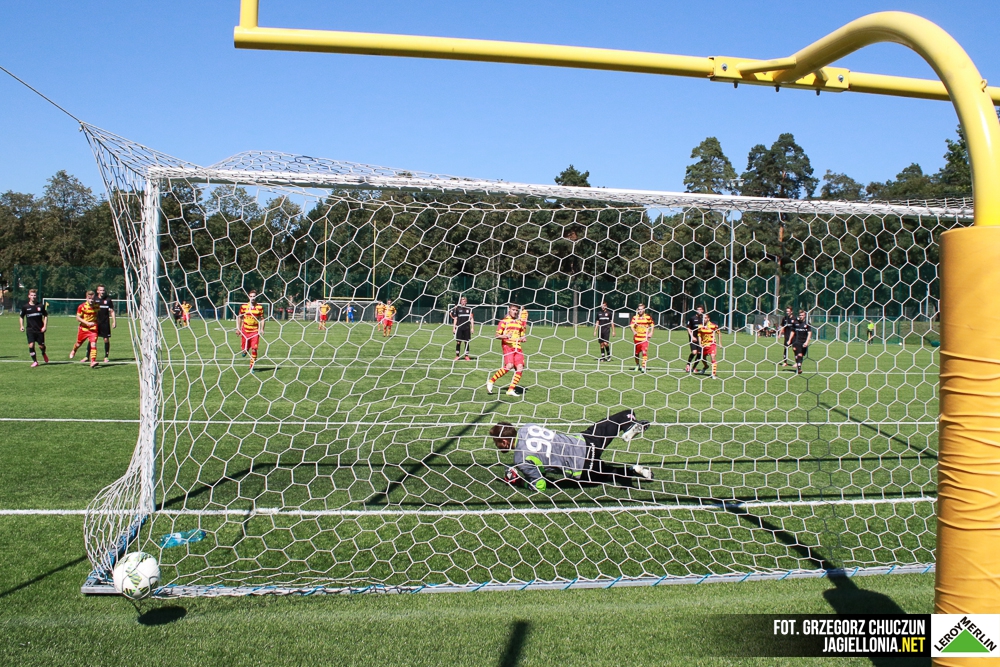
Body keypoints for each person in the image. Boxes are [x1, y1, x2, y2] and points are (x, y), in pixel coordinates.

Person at [490, 410, 654, 492]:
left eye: (497, 443)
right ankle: (630, 427)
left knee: (605, 474)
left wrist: (519, 481)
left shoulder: (521, 458)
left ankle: (631, 471)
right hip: (585, 442)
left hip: (581, 467)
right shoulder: (528, 427)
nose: (496, 446)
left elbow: (540, 485)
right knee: (623, 415)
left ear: (504, 442)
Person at [486, 304, 527, 397]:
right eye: (513, 310)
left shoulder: (519, 322)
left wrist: (523, 338)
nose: (515, 312)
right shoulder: (504, 322)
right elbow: (497, 336)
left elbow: (522, 335)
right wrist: (505, 336)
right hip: (507, 346)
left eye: (516, 310)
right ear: (509, 310)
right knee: (509, 366)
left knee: (520, 367)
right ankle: (491, 381)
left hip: (518, 347)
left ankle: (510, 389)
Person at [19, 289, 49, 367]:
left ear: (36, 296)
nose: (33, 297)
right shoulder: (25, 307)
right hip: (30, 329)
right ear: (29, 296)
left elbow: (45, 316)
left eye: (34, 295)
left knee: (41, 346)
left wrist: (44, 326)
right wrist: (21, 326)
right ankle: (35, 361)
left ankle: (43, 353)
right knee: (31, 345)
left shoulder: (41, 306)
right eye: (31, 295)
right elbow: (21, 317)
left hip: (39, 329)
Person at [70, 290, 99, 368]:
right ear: (86, 298)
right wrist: (87, 323)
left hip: (93, 329)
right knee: (78, 344)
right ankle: (74, 350)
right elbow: (78, 318)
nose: (91, 300)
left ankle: (93, 361)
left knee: (93, 344)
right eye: (89, 298)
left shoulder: (97, 306)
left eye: (92, 299)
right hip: (84, 329)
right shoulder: (82, 306)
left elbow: (97, 315)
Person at [237, 290, 265, 371]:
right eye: (251, 296)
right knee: (245, 349)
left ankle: (251, 366)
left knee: (254, 348)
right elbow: (240, 317)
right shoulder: (244, 307)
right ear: (249, 297)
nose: (252, 298)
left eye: (254, 296)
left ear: (256, 297)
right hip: (245, 330)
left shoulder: (259, 307)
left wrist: (262, 329)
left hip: (255, 331)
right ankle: (245, 351)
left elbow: (262, 319)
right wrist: (238, 329)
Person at [92, 285, 117, 362]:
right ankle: (87, 356)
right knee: (92, 339)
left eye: (103, 290)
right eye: (100, 290)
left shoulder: (108, 300)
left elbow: (112, 311)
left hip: (105, 323)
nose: (102, 292)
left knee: (106, 339)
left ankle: (106, 356)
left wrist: (114, 321)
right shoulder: (94, 299)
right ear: (97, 291)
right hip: (95, 323)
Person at [629, 303, 654, 373]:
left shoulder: (647, 317)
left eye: (641, 309)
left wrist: (651, 332)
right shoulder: (635, 317)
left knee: (644, 351)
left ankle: (643, 366)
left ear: (644, 310)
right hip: (637, 338)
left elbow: (652, 324)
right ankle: (637, 365)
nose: (640, 311)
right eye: (639, 309)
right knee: (636, 353)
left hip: (644, 338)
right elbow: (631, 326)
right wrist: (634, 331)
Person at [694, 314, 721, 379]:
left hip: (712, 344)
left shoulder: (713, 326)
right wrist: (700, 344)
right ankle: (706, 366)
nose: (703, 319)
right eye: (703, 318)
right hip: (704, 345)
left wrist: (720, 343)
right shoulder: (700, 326)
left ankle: (713, 374)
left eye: (705, 318)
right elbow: (699, 335)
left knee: (713, 357)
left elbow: (719, 333)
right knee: (702, 358)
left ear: (708, 319)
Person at [450, 296, 474, 360]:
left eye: (464, 301)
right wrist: (454, 328)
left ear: (466, 302)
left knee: (466, 342)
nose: (463, 302)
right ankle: (457, 356)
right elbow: (455, 319)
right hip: (459, 328)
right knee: (458, 342)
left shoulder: (469, 309)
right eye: (462, 301)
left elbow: (471, 319)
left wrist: (472, 328)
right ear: (460, 302)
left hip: (467, 328)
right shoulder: (457, 309)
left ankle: (466, 356)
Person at [684, 305, 705, 372]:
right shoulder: (692, 318)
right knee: (694, 352)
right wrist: (692, 336)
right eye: (697, 309)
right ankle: (688, 364)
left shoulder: (704, 318)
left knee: (699, 353)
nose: (699, 311)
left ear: (702, 310)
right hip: (693, 337)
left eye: (700, 309)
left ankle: (694, 368)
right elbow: (688, 328)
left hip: (701, 338)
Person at [791, 310, 813, 375]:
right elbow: (792, 331)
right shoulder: (795, 322)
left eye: (802, 315)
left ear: (805, 316)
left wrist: (807, 342)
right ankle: (799, 368)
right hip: (796, 341)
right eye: (800, 315)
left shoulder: (807, 323)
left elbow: (809, 333)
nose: (801, 316)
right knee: (799, 354)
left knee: (801, 355)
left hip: (803, 341)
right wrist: (789, 340)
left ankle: (798, 363)